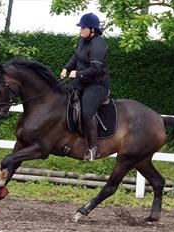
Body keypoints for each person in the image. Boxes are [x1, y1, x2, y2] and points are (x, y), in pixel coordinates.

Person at [60, 13, 110, 161]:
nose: (81, 30)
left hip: (97, 84)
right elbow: (76, 57)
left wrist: (78, 73)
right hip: (83, 81)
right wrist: (66, 68)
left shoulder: (99, 44)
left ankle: (93, 148)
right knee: (63, 97)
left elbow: (96, 69)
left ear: (92, 29)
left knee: (87, 111)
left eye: (83, 27)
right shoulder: (82, 40)